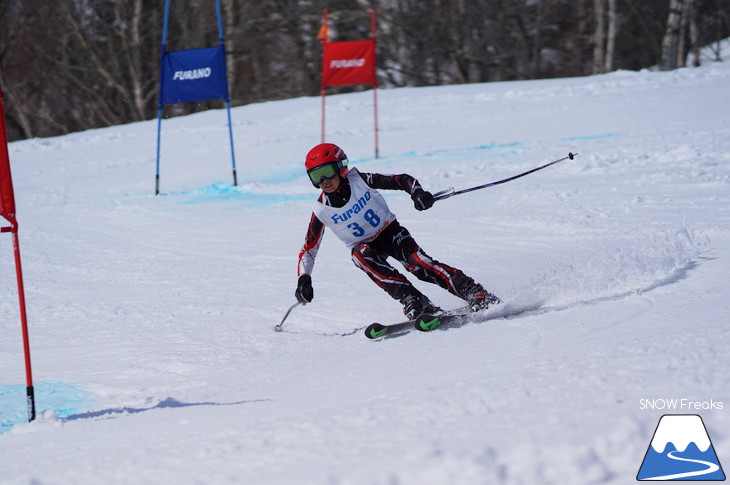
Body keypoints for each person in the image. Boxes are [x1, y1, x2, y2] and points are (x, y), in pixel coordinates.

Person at [295, 143, 500, 319]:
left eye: (327, 172)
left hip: (391, 233)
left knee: (419, 265)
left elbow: (401, 179)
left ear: (341, 168)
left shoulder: (361, 180)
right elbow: (308, 250)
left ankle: (475, 293)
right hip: (366, 247)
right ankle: (415, 301)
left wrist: (417, 192)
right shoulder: (321, 209)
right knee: (359, 256)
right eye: (316, 176)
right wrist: (304, 278)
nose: (324, 181)